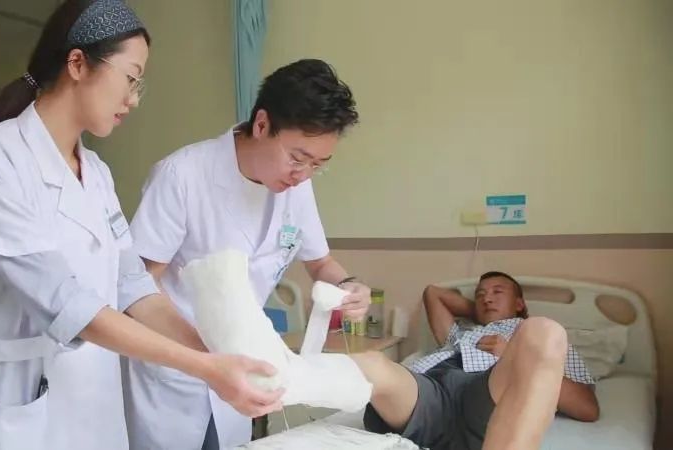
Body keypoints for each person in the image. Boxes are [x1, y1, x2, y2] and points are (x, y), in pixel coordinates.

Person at [0, 1, 283, 449]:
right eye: (131, 78)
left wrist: (216, 354)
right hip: (7, 413)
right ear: (77, 63)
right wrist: (206, 368)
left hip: (91, 403)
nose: (133, 99)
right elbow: (62, 301)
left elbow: (133, 287)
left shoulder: (96, 173)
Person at [122, 59, 372, 449]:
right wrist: (206, 358)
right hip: (174, 375)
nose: (303, 174)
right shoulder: (182, 175)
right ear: (262, 124)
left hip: (239, 370)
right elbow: (137, 287)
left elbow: (320, 262)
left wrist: (349, 285)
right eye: (297, 158)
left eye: (318, 165)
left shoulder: (297, 187)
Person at [351, 271, 599, 450]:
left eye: (497, 292)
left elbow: (587, 408)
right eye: (480, 295)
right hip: (427, 394)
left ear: (520, 303)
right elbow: (433, 293)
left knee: (546, 330)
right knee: (366, 363)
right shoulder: (462, 332)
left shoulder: (529, 337)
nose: (487, 298)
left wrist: (512, 354)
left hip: (489, 396)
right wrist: (482, 312)